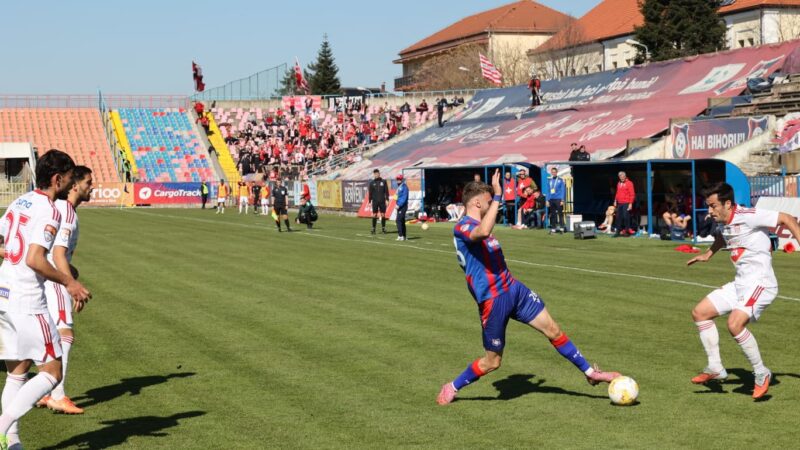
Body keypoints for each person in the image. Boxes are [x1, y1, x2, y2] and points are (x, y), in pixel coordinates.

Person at [437, 169, 620, 405]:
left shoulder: (480, 222)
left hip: (514, 289)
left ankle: (590, 373)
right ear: (477, 202)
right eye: (489, 201)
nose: (493, 204)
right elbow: (482, 232)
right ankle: (452, 386)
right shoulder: (462, 226)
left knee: (553, 330)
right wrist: (500, 195)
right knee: (492, 362)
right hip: (493, 300)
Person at [0, 150, 91, 449]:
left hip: (4, 292)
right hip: (27, 299)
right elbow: (36, 259)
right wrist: (70, 282)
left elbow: (8, 245)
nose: (71, 182)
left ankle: (10, 442)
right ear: (57, 179)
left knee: (17, 372)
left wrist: (10, 256)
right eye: (68, 176)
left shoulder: (19, 201)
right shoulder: (51, 210)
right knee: (52, 373)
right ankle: (1, 427)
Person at [686, 182, 800, 399]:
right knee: (700, 312)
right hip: (740, 283)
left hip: (762, 283)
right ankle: (716, 367)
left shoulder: (748, 214)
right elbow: (724, 234)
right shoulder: (724, 220)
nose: (709, 211)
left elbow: (787, 218)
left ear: (727, 203)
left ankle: (761, 372)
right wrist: (709, 254)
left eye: (712, 206)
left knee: (734, 324)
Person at [37, 165, 93, 415]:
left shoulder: (57, 208)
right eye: (88, 183)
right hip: (54, 279)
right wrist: (70, 283)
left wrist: (73, 271)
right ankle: (56, 394)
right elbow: (56, 253)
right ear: (74, 185)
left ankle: (43, 390)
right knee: (65, 334)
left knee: (47, 336)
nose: (92, 187)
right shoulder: (66, 210)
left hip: (45, 276)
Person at [613, 171, 635, 236]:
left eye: (623, 176)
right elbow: (617, 193)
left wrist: (630, 203)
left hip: (626, 203)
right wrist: (615, 200)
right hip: (620, 203)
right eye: (620, 176)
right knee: (618, 217)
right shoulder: (618, 183)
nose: (621, 177)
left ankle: (627, 231)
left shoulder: (629, 183)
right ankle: (618, 231)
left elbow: (632, 194)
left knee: (626, 217)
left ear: (625, 176)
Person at [367, 169, 389, 234]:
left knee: (383, 214)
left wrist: (387, 199)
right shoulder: (372, 183)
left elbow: (386, 192)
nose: (376, 175)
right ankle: (373, 229)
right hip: (375, 201)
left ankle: (383, 229)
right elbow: (370, 193)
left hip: (382, 201)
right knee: (374, 214)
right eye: (375, 174)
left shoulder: (384, 181)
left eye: (377, 173)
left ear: (379, 174)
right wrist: (369, 201)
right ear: (374, 174)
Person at [546, 167, 566, 234]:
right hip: (551, 199)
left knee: (560, 214)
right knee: (553, 214)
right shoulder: (550, 180)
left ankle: (562, 228)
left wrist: (562, 200)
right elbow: (548, 191)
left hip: (558, 199)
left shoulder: (560, 180)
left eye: (554, 172)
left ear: (556, 172)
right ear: (551, 172)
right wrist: (547, 200)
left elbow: (563, 190)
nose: (553, 173)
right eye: (552, 172)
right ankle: (553, 228)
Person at [395, 174, 408, 241]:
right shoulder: (399, 187)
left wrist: (399, 204)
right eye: (397, 179)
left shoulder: (404, 187)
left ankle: (400, 236)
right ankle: (404, 236)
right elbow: (397, 196)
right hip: (399, 205)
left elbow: (404, 198)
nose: (398, 180)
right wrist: (395, 201)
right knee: (402, 221)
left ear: (402, 179)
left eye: (399, 179)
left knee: (398, 220)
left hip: (402, 206)